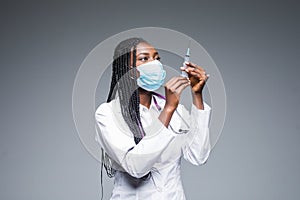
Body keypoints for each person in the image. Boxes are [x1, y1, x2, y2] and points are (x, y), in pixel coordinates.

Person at [95, 37, 211, 200]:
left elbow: (198, 155)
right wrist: (168, 110)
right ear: (128, 71)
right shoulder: (108, 113)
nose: (155, 64)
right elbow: (136, 167)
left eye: (157, 58)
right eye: (144, 59)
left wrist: (197, 96)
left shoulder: (174, 109)